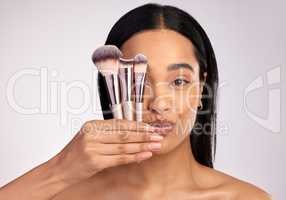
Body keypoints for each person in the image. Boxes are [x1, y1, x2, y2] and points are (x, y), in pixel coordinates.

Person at [0, 3, 272, 200]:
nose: (159, 104)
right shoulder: (66, 193)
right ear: (112, 88)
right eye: (137, 84)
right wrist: (60, 169)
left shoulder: (245, 198)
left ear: (201, 87)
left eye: (179, 81)